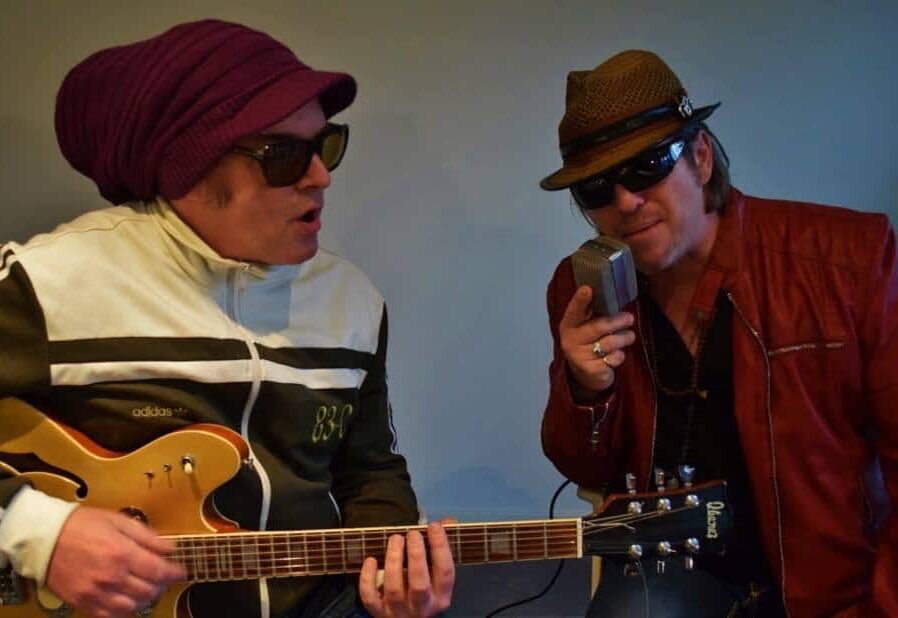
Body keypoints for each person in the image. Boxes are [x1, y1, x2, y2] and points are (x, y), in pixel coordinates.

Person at [0, 19, 454, 618]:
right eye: (283, 155)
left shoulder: (352, 301)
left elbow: (370, 470)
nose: (321, 176)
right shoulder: (45, 286)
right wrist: (39, 532)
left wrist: (393, 576)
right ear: (186, 169)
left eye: (326, 145)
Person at [538, 50, 897, 617]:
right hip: (674, 562)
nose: (626, 201)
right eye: (597, 188)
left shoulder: (846, 262)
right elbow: (587, 474)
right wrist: (586, 390)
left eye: (648, 164)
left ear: (700, 157)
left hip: (824, 577)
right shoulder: (582, 289)